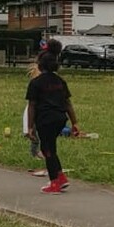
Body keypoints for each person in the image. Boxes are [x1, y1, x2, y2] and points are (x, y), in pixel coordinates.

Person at [25, 47, 79, 193]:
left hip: (45, 119)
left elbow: (32, 105)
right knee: (51, 148)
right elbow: (68, 103)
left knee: (47, 149)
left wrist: (30, 127)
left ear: (40, 66)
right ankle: (61, 177)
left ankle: (54, 182)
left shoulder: (36, 83)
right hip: (60, 119)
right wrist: (74, 123)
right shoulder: (60, 81)